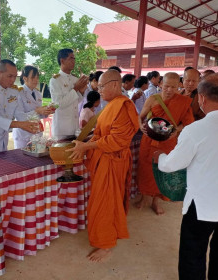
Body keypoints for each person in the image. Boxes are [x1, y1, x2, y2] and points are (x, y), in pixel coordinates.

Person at [156, 73, 218, 280]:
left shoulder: (195, 130)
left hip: (201, 206)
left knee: (193, 255)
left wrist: (160, 157)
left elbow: (171, 165)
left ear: (201, 98)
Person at [67, 69, 139, 262]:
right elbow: (102, 133)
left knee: (106, 203)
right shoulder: (110, 105)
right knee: (103, 202)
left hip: (113, 160)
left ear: (115, 85)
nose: (98, 91)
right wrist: (87, 139)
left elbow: (116, 141)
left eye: (101, 87)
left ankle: (106, 245)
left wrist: (87, 146)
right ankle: (107, 236)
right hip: (104, 159)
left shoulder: (124, 106)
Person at [136, 72, 194, 215]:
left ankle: (156, 201)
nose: (169, 90)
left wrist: (177, 130)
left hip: (168, 141)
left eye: (173, 87)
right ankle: (144, 198)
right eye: (166, 86)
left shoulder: (182, 101)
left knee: (162, 170)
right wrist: (141, 126)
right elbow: (140, 116)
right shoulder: (152, 99)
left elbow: (188, 122)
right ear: (161, 84)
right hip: (149, 139)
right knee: (145, 169)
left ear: (179, 86)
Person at [49, 49, 89, 139]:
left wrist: (81, 91)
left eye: (74, 58)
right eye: (71, 58)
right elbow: (58, 104)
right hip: (62, 129)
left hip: (74, 127)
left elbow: (77, 101)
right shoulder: (55, 80)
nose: (74, 61)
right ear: (62, 60)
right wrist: (76, 89)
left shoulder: (75, 79)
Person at [12, 65, 53, 149]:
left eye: (37, 77)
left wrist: (46, 112)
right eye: (33, 77)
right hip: (23, 134)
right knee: (23, 159)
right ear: (25, 78)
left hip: (36, 132)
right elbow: (20, 117)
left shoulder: (37, 93)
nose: (36, 80)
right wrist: (37, 111)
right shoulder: (19, 93)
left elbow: (39, 115)